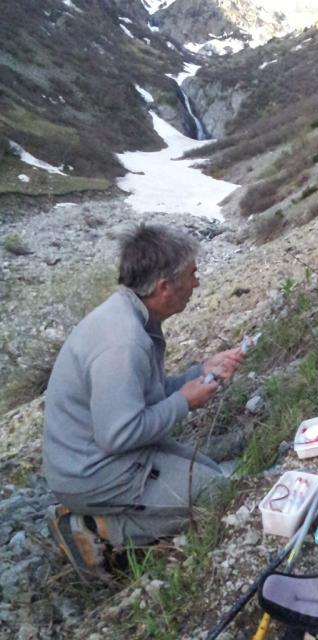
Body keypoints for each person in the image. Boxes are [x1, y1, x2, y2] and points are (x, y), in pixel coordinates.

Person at [43, 223, 244, 582]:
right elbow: (119, 434)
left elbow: (143, 398)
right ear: (165, 287)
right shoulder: (124, 342)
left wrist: (199, 373)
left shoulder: (131, 315)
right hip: (94, 472)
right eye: (192, 275)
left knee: (215, 473)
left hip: (108, 456)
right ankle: (90, 526)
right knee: (218, 495)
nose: (197, 283)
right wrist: (185, 401)